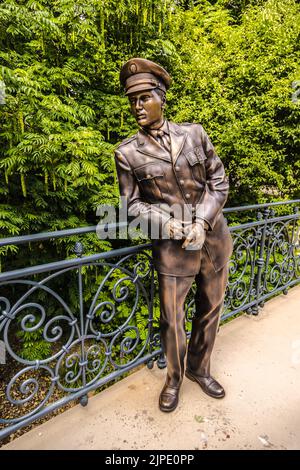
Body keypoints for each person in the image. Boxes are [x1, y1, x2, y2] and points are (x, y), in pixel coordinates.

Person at [114, 58, 233, 412]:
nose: (137, 106)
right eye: (132, 100)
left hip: (212, 240)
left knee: (211, 310)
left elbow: (219, 181)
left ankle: (200, 368)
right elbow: (131, 206)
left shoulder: (194, 133)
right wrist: (166, 224)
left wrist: (202, 222)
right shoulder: (127, 153)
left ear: (161, 97)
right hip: (172, 249)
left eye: (144, 98)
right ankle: (174, 379)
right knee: (172, 320)